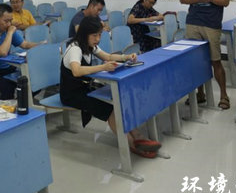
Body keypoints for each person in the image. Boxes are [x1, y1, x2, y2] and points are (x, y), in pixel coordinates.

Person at [60, 16, 161, 158]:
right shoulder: (75, 48)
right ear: (85, 34)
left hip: (85, 88)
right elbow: (76, 71)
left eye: (99, 35)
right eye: (94, 35)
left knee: (118, 101)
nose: (97, 39)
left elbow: (107, 57)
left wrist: (126, 57)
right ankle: (132, 144)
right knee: (109, 108)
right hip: (71, 94)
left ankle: (138, 137)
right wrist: (102, 67)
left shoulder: (90, 45)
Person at [179, 0, 232, 110]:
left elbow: (225, 1)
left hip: (211, 24)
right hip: (193, 22)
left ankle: (224, 96)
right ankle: (200, 94)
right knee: (196, 61)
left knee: (215, 60)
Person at [0, 3, 38, 100]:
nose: (9, 24)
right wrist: (10, 33)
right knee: (8, 87)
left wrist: (41, 45)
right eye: (6, 21)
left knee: (33, 80)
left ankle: (20, 102)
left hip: (7, 68)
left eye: (11, 20)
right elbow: (2, 52)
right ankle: (8, 107)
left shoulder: (6, 30)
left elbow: (24, 44)